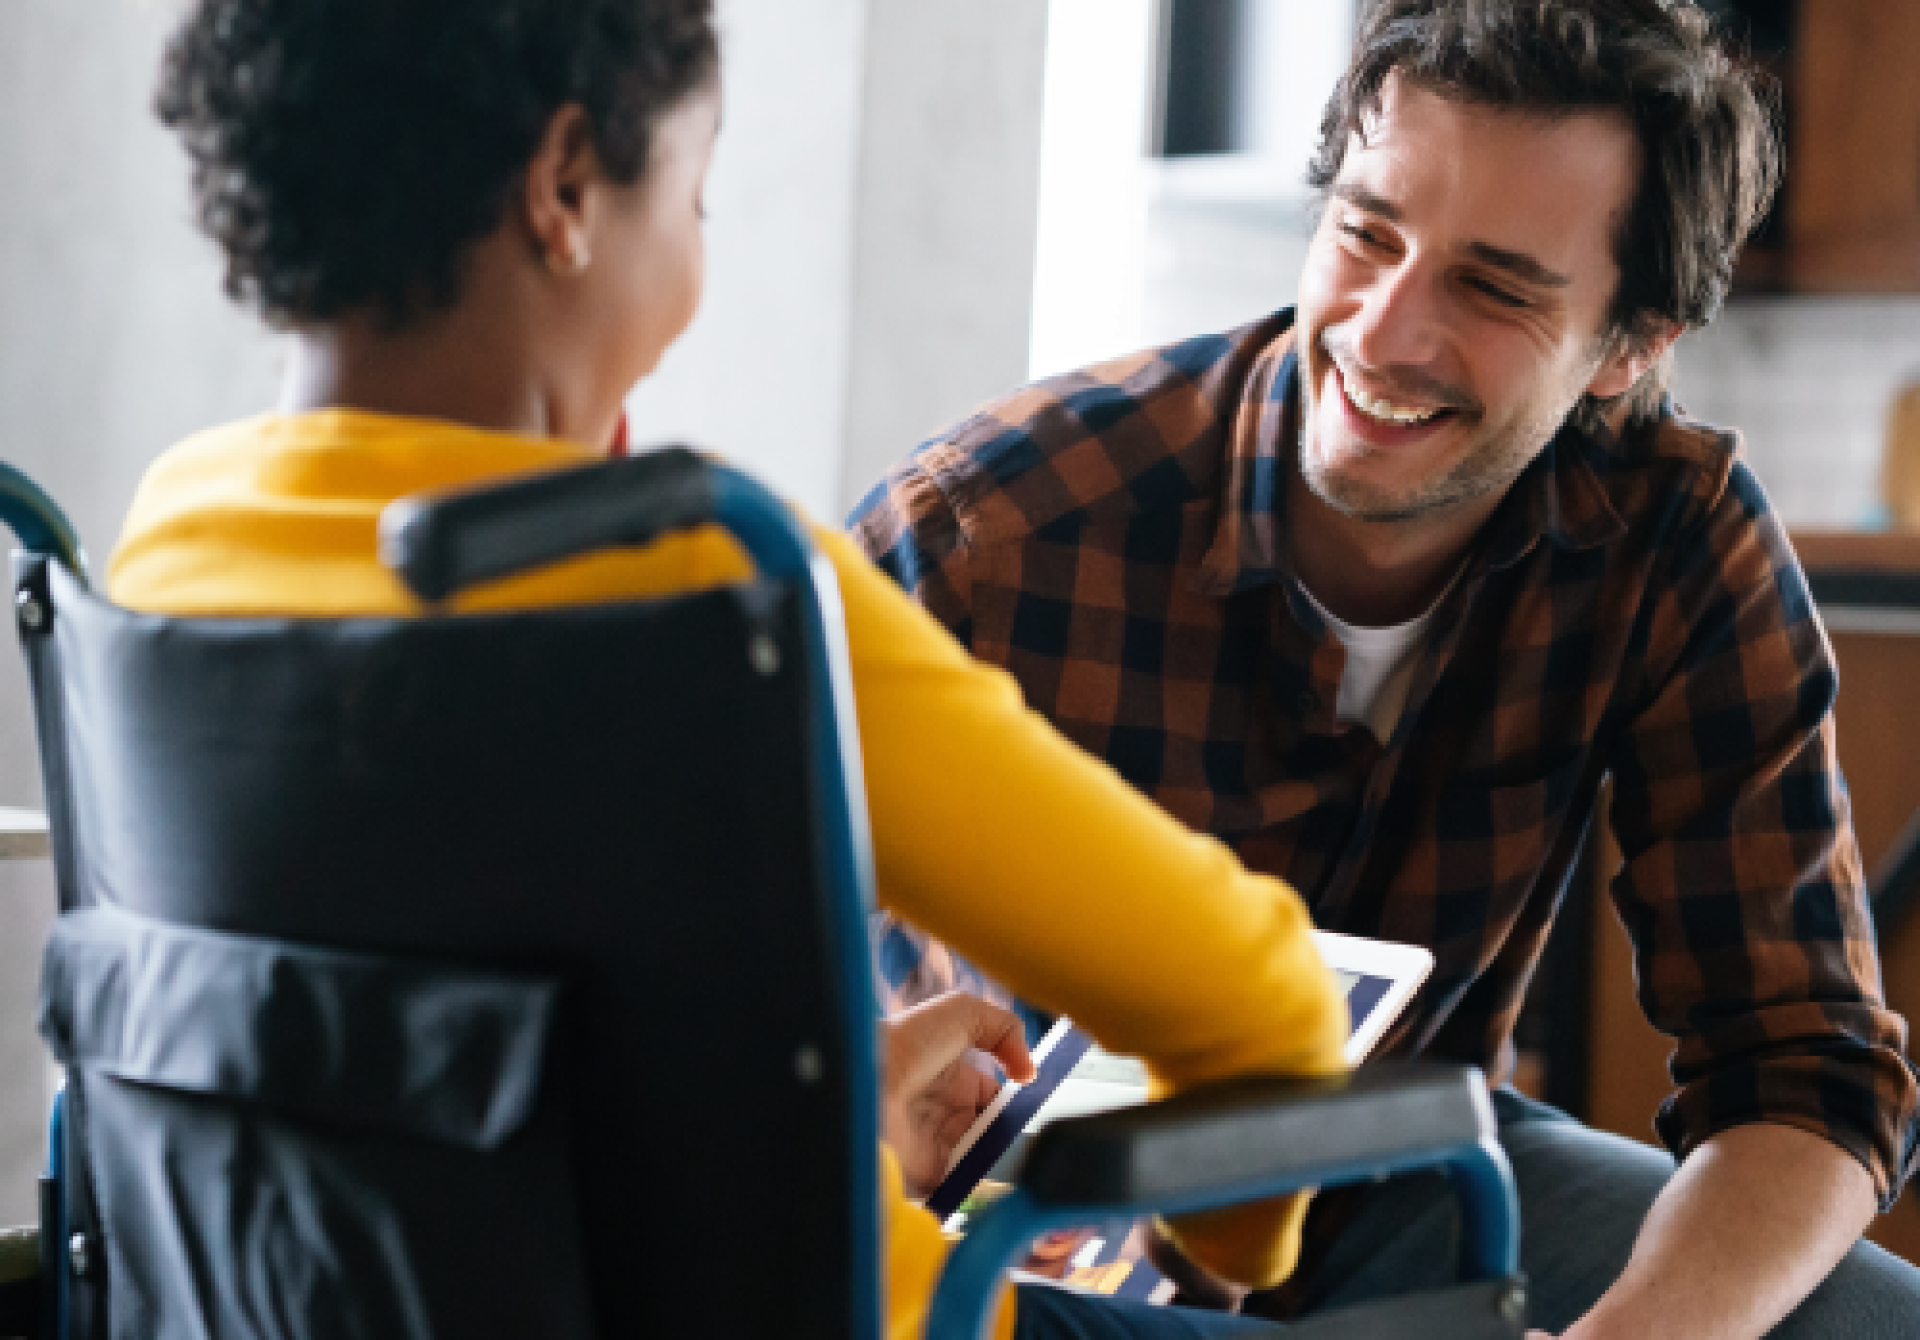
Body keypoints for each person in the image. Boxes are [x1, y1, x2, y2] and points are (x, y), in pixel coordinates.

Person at [107, 2, 1350, 1339]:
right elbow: (1258, 1014)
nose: (692, 280)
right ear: (567, 187)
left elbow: (416, 1092)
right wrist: (1209, 1253)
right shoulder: (718, 589)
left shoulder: (166, 550)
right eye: (694, 201)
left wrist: (795, 1115)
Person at [849, 2, 1920, 1337]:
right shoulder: (994, 532)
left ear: (1633, 345)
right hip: (1036, 1220)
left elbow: (1806, 1076)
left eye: (1494, 287)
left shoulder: (1674, 540)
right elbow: (694, 986)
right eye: (1365, 232)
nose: (1384, 332)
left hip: (1406, 1178)